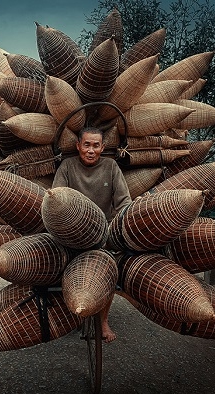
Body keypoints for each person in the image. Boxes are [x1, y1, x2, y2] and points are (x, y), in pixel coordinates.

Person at [52, 126, 132, 342]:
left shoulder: (111, 166)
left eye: (96, 145)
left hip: (103, 233)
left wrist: (119, 225)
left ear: (102, 147)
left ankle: (103, 322)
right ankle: (71, 310)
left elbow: (124, 202)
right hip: (73, 232)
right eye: (86, 144)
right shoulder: (67, 167)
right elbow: (57, 198)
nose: (90, 150)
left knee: (110, 270)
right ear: (78, 145)